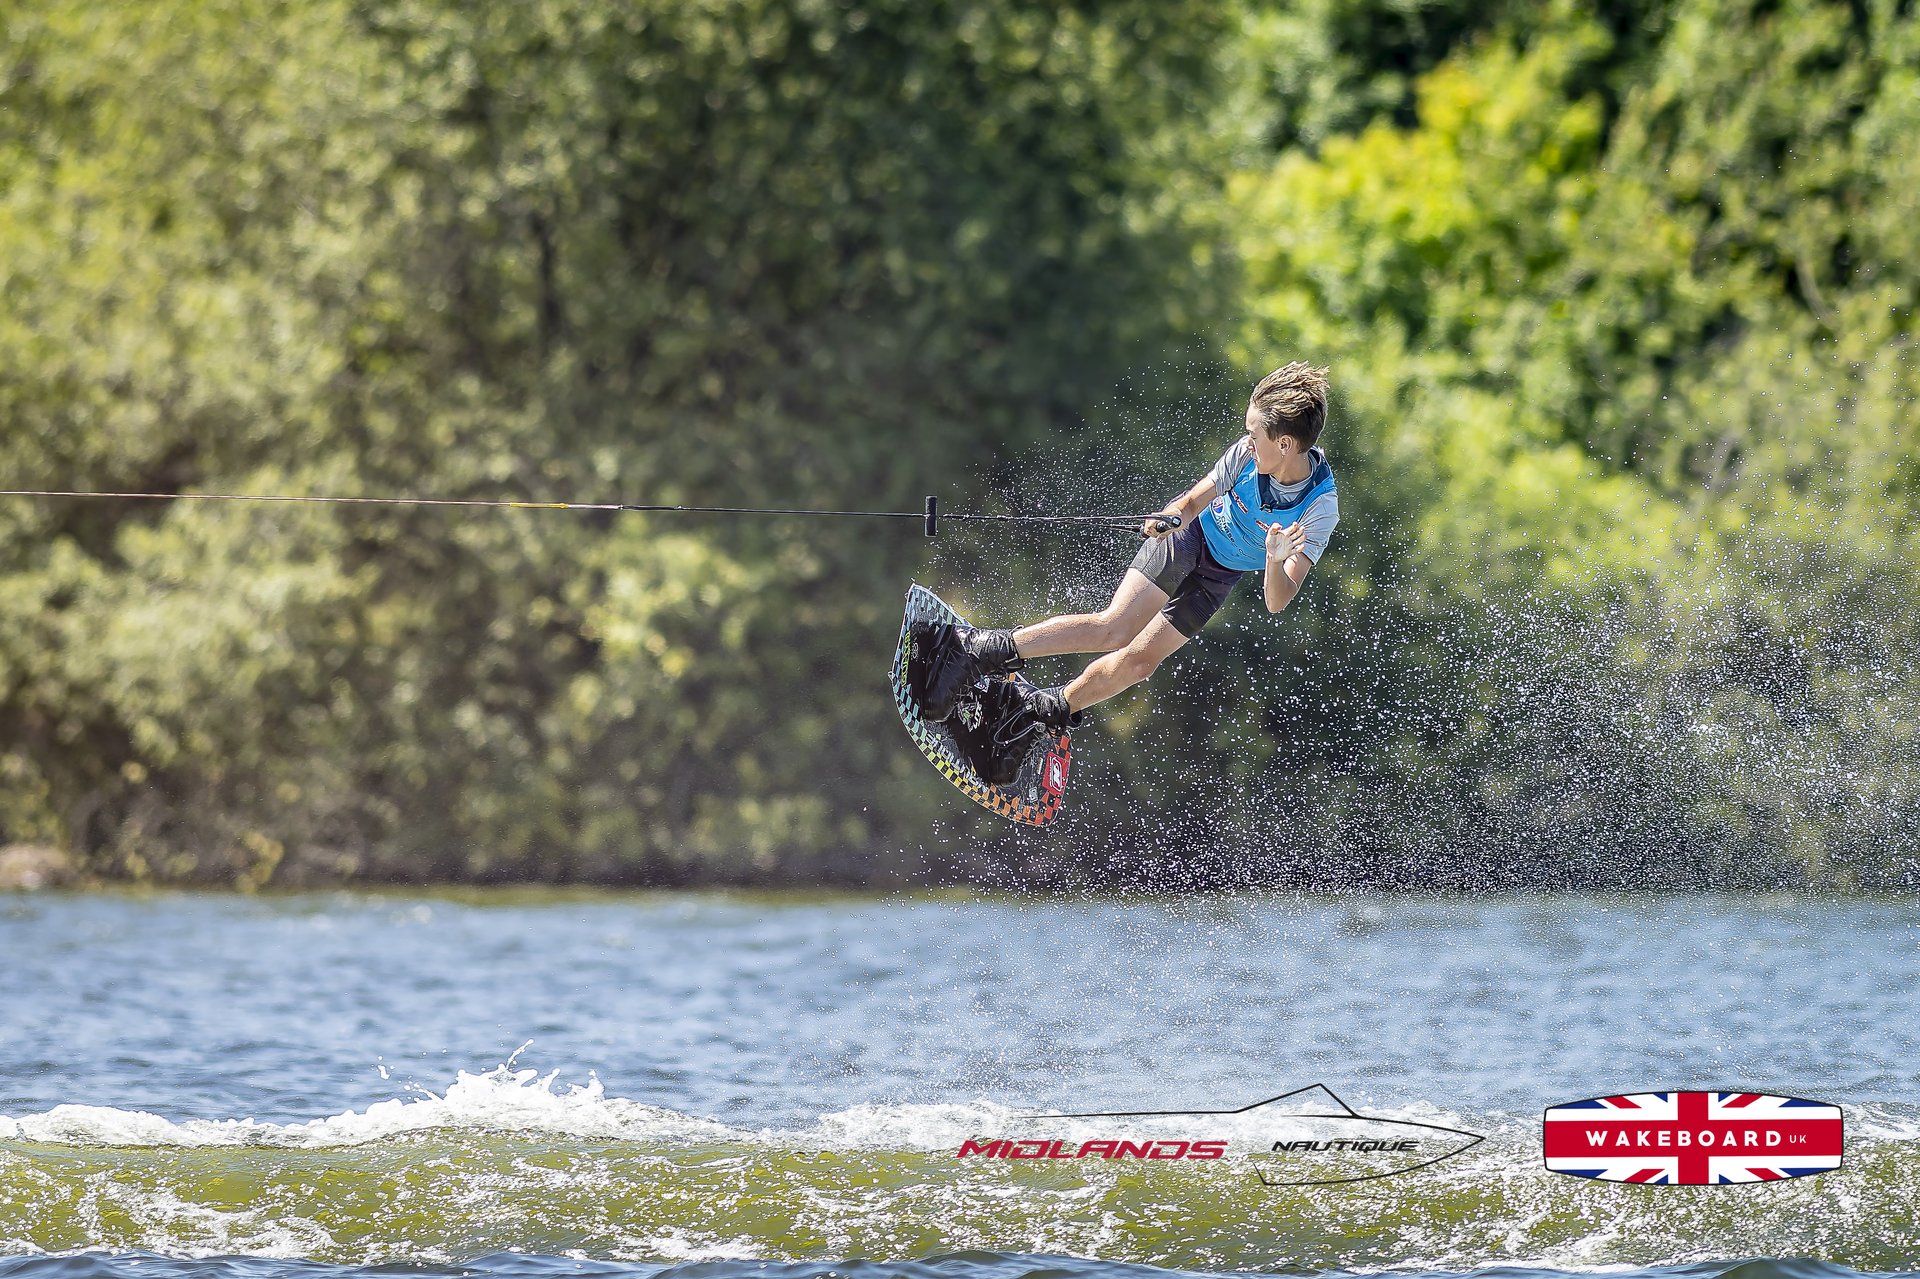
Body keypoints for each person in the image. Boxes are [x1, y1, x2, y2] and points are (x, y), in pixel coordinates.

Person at [912, 362, 1340, 781]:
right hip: (1190, 537)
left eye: (1254, 433)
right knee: (1116, 628)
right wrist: (1171, 516)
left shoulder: (1319, 508)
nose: (1247, 440)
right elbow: (1192, 502)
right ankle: (974, 650)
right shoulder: (1246, 456)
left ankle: (1033, 712)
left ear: (1285, 444)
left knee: (1140, 664)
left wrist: (1273, 559)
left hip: (1220, 575)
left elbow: (1277, 600)